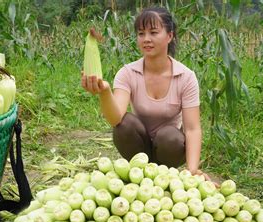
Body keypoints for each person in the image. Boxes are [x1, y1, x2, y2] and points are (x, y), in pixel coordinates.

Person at [81, 6, 204, 177]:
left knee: (170, 136)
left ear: (170, 36)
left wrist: (192, 170)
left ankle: (163, 175)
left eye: (153, 32)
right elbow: (115, 117)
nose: (146, 39)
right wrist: (105, 92)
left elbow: (192, 129)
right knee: (124, 125)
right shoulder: (127, 73)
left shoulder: (186, 77)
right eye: (141, 34)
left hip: (169, 148)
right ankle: (139, 173)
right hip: (138, 147)